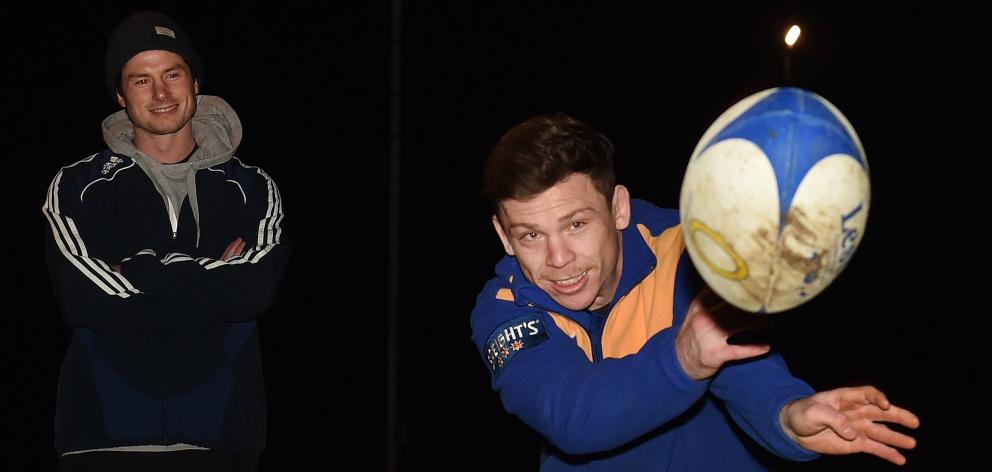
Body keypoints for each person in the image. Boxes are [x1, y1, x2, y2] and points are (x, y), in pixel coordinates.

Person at [470, 113, 918, 471]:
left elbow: (740, 366)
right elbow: (568, 413)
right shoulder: (504, 310)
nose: (559, 258)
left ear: (618, 208)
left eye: (576, 224)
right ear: (504, 237)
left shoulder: (691, 252)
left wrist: (788, 414)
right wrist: (682, 358)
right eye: (530, 235)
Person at [42, 11, 288, 471]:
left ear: (195, 82)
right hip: (101, 444)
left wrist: (136, 270)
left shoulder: (252, 187)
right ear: (120, 95)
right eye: (141, 80)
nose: (160, 93)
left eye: (172, 74)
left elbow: (253, 291)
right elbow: (82, 301)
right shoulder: (78, 185)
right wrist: (210, 278)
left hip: (220, 444)